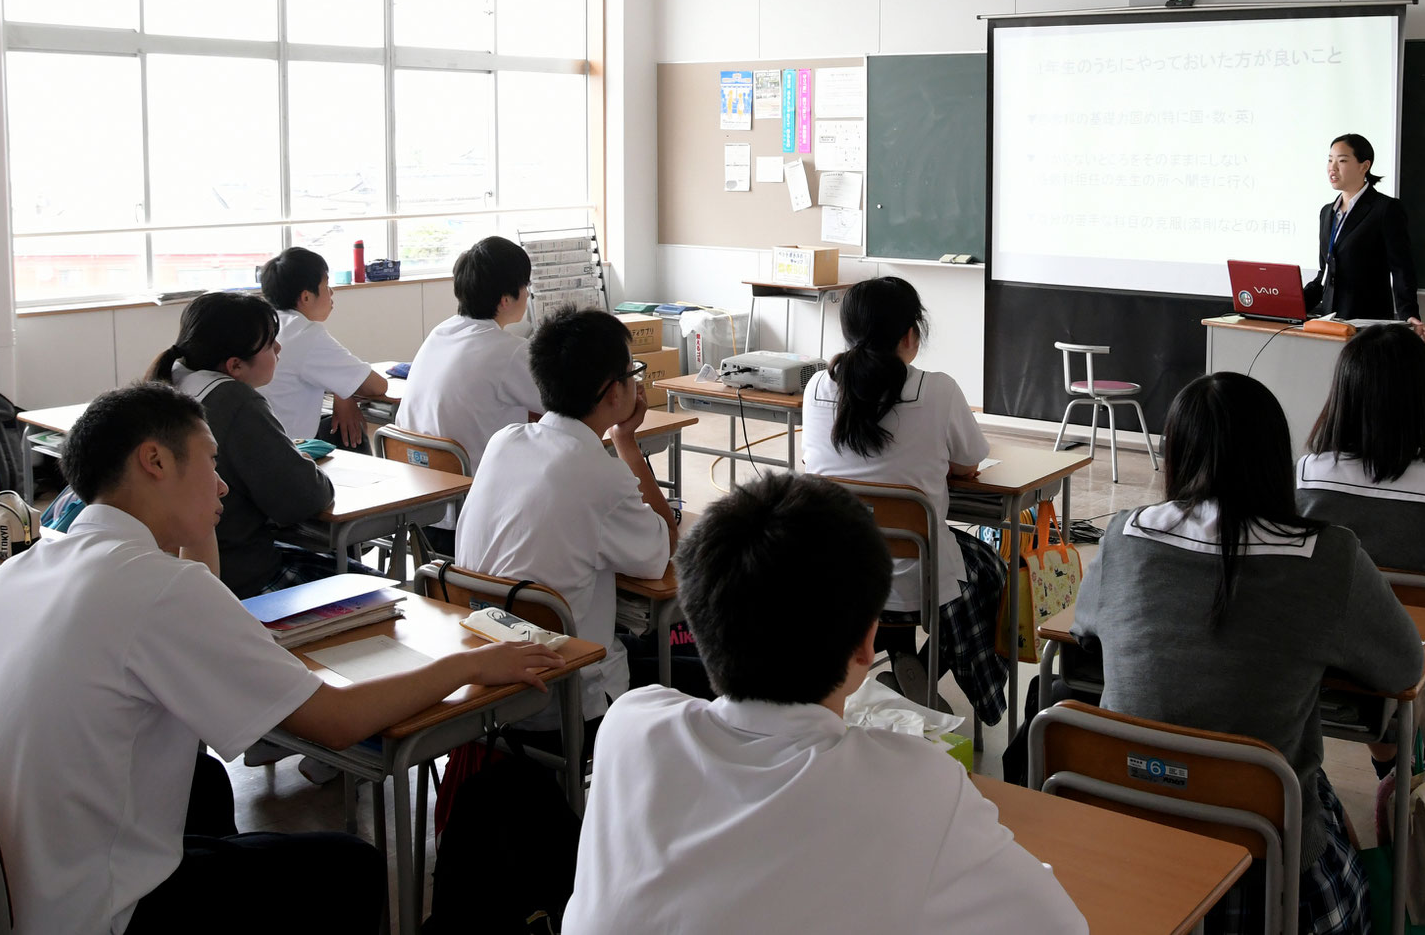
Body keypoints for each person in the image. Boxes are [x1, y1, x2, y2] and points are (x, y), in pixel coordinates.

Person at [0, 383, 564, 935]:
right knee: (349, 868)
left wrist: (197, 544)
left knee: (206, 794)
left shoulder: (29, 565)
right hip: (69, 912)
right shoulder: (156, 584)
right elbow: (336, 722)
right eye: (211, 462)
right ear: (155, 461)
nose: (223, 485)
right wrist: (472, 664)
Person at [562, 472, 1085, 935]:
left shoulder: (629, 727)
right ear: (867, 642)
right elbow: (1062, 924)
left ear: (695, 627)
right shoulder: (916, 784)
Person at [1071, 372, 1422, 935]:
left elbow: (1084, 631)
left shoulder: (1122, 536)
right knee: (1316, 798)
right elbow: (1405, 666)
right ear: (1273, 457)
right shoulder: (1330, 556)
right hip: (1267, 869)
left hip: (1129, 834)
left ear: (1176, 454)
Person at [456, 310, 680, 748]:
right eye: (632, 371)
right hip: (568, 693)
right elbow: (662, 549)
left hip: (485, 676)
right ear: (615, 391)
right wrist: (627, 444)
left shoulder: (505, 441)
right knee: (688, 660)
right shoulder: (602, 476)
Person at [799, 277, 1005, 724]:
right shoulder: (938, 390)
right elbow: (970, 461)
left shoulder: (817, 387)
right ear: (911, 335)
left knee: (894, 549)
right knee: (989, 567)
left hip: (837, 572)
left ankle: (901, 661)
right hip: (921, 576)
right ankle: (928, 671)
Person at [1297, 323, 1425, 746]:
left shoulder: (1299, 484)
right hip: (1423, 682)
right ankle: (1418, 783)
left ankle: (1386, 760)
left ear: (1342, 398)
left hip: (1313, 677)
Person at [149, 291, 340, 597]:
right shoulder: (234, 400)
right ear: (235, 365)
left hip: (172, 572)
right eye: (269, 343)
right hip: (238, 576)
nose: (278, 348)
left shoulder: (165, 383)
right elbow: (307, 497)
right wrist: (298, 460)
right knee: (372, 583)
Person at [398, 236, 543, 546]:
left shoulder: (440, 333)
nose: (528, 294)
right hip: (473, 519)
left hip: (419, 507)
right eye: (525, 287)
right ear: (506, 299)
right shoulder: (509, 351)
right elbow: (565, 404)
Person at [1303, 133, 1425, 344]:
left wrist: (1409, 314)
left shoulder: (1385, 209)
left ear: (1364, 166)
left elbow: (1401, 269)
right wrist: (1294, 306)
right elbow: (1324, 273)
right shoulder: (1327, 213)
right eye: (1330, 160)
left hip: (1369, 325)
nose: (1332, 168)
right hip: (1329, 324)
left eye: (1342, 160)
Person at [256, 246, 388, 448]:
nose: (332, 292)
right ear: (306, 297)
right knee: (352, 432)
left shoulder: (266, 325)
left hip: (258, 443)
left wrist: (342, 393)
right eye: (326, 285)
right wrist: (344, 391)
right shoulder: (305, 334)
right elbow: (377, 386)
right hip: (289, 450)